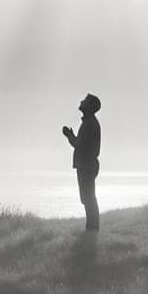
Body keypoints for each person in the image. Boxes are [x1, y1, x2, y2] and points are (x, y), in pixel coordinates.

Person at [62, 93, 101, 231]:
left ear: (89, 106)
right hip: (87, 164)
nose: (81, 102)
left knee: (88, 198)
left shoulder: (89, 123)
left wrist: (69, 136)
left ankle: (92, 228)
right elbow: (81, 143)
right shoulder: (89, 122)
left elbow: (79, 144)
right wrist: (71, 136)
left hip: (86, 165)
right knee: (87, 197)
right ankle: (91, 227)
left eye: (84, 101)